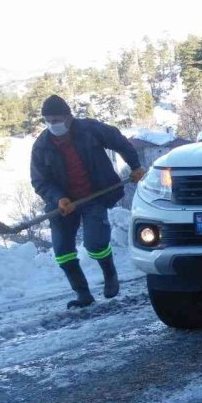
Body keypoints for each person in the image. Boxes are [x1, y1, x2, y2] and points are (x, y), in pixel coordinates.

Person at [30, 95, 145, 308]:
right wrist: (59, 198)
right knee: (63, 252)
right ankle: (83, 294)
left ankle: (110, 274)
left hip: (95, 195)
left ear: (68, 117)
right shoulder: (41, 146)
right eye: (48, 120)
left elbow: (118, 141)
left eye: (57, 119)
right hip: (63, 205)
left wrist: (135, 165)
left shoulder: (89, 130)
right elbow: (40, 181)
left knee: (95, 244)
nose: (52, 124)